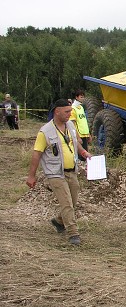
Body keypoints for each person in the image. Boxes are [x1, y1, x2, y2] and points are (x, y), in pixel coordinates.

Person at [26, 99, 92, 246]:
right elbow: (36, 154)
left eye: (70, 111)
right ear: (57, 111)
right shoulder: (45, 132)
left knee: (73, 202)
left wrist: (84, 152)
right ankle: (73, 233)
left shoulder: (70, 125)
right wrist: (31, 175)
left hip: (71, 171)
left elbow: (75, 144)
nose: (70, 114)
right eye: (67, 111)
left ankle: (59, 221)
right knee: (67, 203)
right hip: (55, 173)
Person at [69, 89, 91, 161]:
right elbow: (72, 124)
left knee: (85, 156)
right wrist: (77, 137)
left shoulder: (81, 108)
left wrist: (88, 134)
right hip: (79, 136)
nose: (83, 98)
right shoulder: (73, 108)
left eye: (83, 97)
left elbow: (83, 122)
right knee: (80, 157)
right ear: (76, 97)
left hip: (84, 135)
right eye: (81, 97)